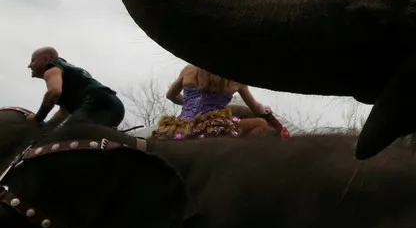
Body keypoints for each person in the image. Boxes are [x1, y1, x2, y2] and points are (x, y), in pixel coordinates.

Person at [151, 64, 287, 140]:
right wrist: (266, 110)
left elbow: (171, 96)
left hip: (181, 126)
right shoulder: (234, 78)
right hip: (211, 126)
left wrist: (188, 103)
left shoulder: (188, 70)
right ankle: (234, 154)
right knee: (260, 124)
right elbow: (255, 107)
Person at [28, 46, 126, 129]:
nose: (29, 65)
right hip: (116, 107)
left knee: (66, 136)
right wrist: (45, 129)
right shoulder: (70, 74)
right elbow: (63, 112)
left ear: (46, 59)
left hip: (97, 103)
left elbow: (54, 92)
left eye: (33, 60)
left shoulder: (52, 69)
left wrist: (37, 118)